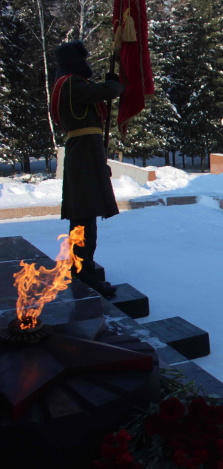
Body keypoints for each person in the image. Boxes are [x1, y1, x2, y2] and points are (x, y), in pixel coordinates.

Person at [51, 41, 124, 298]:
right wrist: (113, 83)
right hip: (83, 156)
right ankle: (84, 271)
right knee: (85, 215)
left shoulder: (71, 84)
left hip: (86, 155)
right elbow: (105, 91)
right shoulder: (71, 84)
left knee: (84, 215)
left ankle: (82, 266)